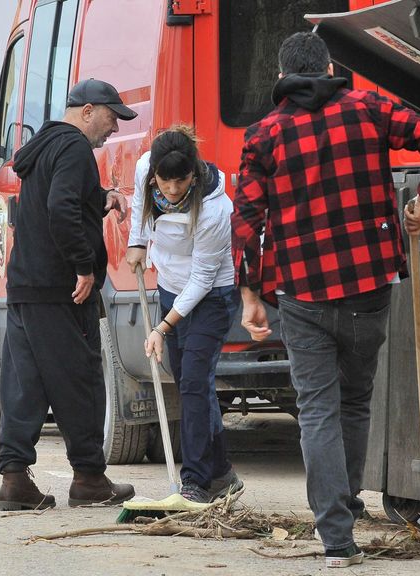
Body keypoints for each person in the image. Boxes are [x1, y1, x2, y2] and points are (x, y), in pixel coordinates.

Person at [231, 32, 420, 567]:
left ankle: (336, 538)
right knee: (355, 401)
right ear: (329, 66)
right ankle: (346, 507)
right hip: (368, 284)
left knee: (317, 410)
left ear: (282, 76)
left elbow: (247, 220)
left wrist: (250, 295)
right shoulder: (369, 108)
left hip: (302, 291)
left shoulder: (264, 134)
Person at [0, 78, 138, 511]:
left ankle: (15, 481)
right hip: (60, 289)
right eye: (112, 117)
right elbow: (60, 208)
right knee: (80, 379)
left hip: (24, 285)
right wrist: (83, 265)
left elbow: (53, 198)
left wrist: (100, 197)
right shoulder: (75, 147)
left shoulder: (45, 144)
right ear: (88, 110)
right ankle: (90, 479)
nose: (114, 129)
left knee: (26, 383)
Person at [125, 126, 243, 503]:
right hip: (170, 286)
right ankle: (222, 472)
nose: (172, 190)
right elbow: (136, 205)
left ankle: (194, 482)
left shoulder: (214, 209)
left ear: (194, 172)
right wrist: (137, 242)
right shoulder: (146, 168)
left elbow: (203, 278)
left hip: (212, 296)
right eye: (165, 181)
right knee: (192, 382)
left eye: (181, 181)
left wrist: (162, 326)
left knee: (193, 382)